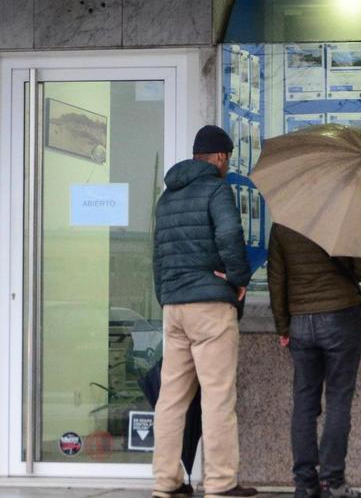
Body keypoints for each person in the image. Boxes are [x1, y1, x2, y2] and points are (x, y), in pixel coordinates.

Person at [151, 125, 257, 498]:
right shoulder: (216, 188)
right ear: (220, 156)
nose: (227, 165)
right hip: (210, 306)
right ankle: (220, 482)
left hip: (175, 307)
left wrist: (166, 297)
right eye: (226, 158)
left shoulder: (167, 197)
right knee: (217, 396)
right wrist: (238, 278)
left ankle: (166, 482)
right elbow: (230, 236)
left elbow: (158, 255)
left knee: (171, 398)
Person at [268, 223, 361, 498]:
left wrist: (283, 327)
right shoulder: (342, 217)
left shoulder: (282, 224)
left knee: (304, 402)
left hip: (300, 322)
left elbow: (276, 279)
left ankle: (304, 483)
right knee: (338, 399)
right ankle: (332, 481)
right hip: (340, 315)